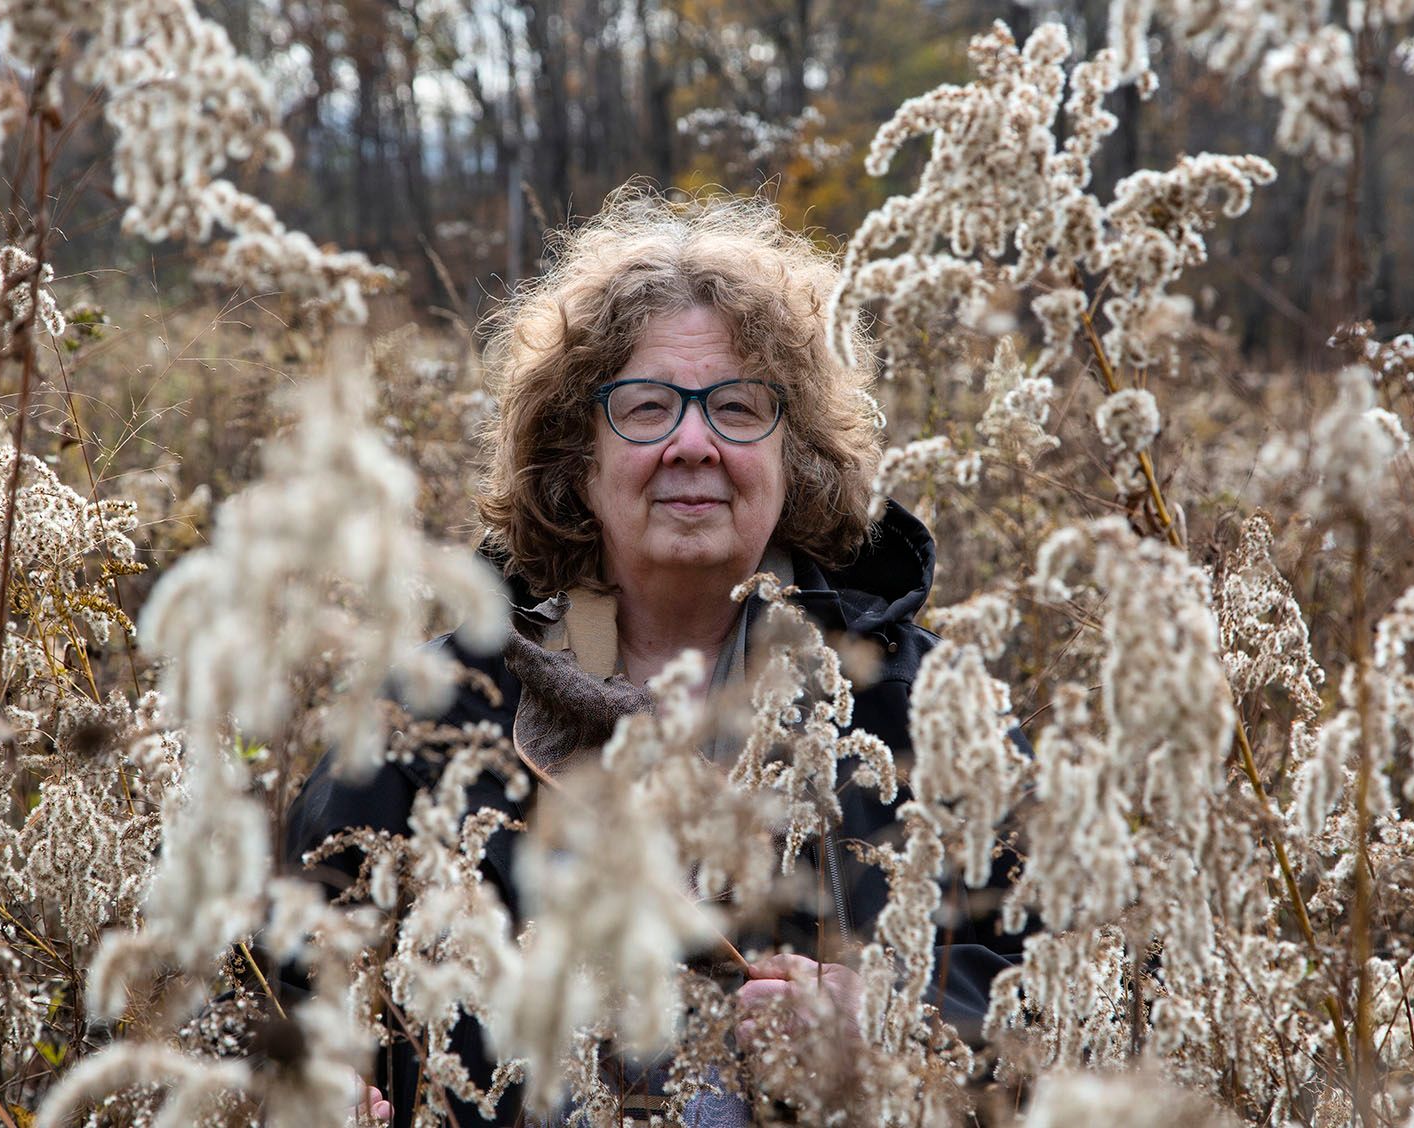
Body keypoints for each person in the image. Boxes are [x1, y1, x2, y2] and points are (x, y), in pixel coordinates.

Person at [284, 189, 1023, 1126]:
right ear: (575, 459)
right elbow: (272, 979)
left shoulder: (922, 707)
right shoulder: (432, 714)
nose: (691, 444)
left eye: (738, 407)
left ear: (796, 454)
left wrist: (894, 1022)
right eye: (644, 408)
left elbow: (1087, 981)